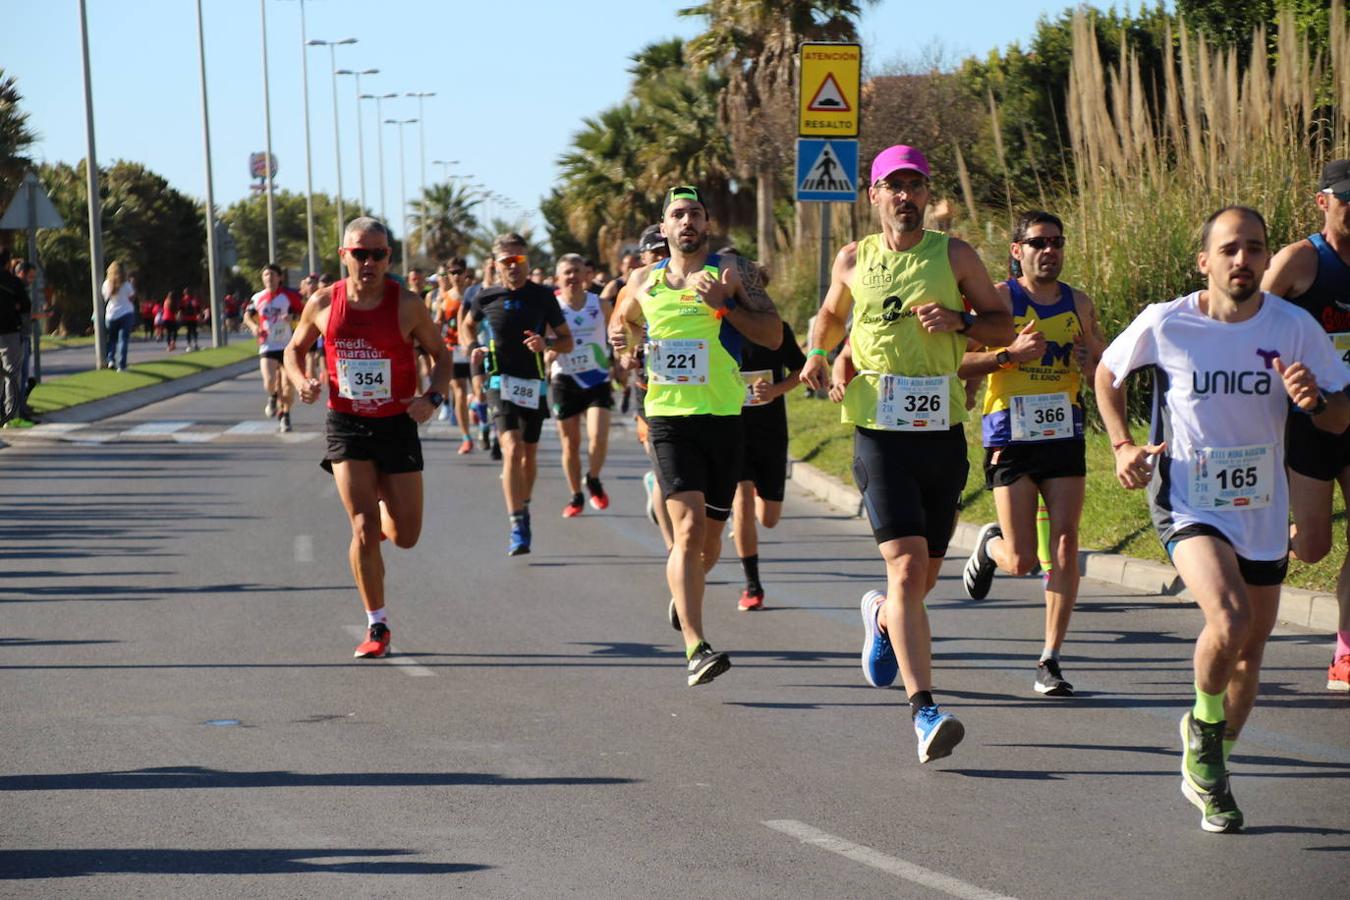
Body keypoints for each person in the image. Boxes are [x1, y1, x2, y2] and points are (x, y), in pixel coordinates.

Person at [1096, 205, 1349, 833]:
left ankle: (1210, 769)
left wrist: (1314, 401)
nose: (1244, 260)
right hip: (1188, 498)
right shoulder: (1168, 323)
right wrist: (1123, 444)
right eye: (1230, 249)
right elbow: (1107, 372)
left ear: (1267, 259)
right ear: (1205, 261)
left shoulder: (1293, 327)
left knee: (1251, 652)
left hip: (1262, 505)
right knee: (1229, 617)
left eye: (1255, 249)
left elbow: (1342, 416)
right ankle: (1204, 727)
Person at [800, 146, 1014, 762]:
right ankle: (925, 712)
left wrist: (960, 318)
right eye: (894, 187)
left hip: (940, 432)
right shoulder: (853, 258)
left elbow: (1002, 325)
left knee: (918, 584)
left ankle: (883, 620)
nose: (905, 197)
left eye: (915, 186)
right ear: (874, 197)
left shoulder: (954, 255)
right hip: (878, 431)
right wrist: (819, 353)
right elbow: (829, 317)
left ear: (927, 194)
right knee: (904, 568)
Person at [610, 186, 784, 687]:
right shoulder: (642, 279)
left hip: (724, 418)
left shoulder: (734, 274)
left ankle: (681, 589)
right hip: (668, 419)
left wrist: (726, 308)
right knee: (685, 533)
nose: (686, 222)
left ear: (707, 224)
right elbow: (622, 329)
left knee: (708, 548)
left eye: (695, 214)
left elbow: (773, 336)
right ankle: (696, 646)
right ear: (662, 228)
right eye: (677, 215)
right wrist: (625, 349)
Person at [285, 217, 451, 659]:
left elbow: (441, 356)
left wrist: (431, 398)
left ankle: (381, 509)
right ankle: (377, 625)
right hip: (347, 423)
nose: (369, 262)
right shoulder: (322, 302)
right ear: (344, 256)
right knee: (361, 526)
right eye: (360, 253)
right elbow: (294, 349)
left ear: (389, 259)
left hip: (396, 423)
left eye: (378, 254)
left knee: (406, 535)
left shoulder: (408, 305)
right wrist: (301, 380)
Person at [958, 210, 1107, 697]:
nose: (1050, 251)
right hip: (1010, 433)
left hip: (1063, 431)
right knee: (1021, 560)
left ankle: (1050, 659)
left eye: (1057, 242)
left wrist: (1090, 363)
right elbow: (960, 360)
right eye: (1039, 242)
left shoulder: (1078, 303)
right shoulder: (1002, 299)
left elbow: (1101, 366)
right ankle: (990, 546)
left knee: (1065, 544)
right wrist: (1008, 356)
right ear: (1017, 250)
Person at [1262, 159, 1350, 692]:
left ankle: (1345, 652)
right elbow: (1251, 323)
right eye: (1347, 198)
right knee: (1314, 546)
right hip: (1306, 422)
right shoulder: (1300, 260)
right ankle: (1268, 536)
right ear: (1323, 202)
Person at [463, 234, 574, 555]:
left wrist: (547, 344)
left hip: (534, 382)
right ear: (496, 265)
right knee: (511, 449)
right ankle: (517, 522)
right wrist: (474, 349)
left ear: (527, 261)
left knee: (528, 454)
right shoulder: (486, 296)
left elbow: (566, 340)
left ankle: (523, 504)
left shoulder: (542, 296)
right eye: (507, 262)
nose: (514, 267)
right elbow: (467, 324)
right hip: (500, 381)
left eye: (519, 261)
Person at [732, 319, 807, 611]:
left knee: (769, 518)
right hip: (733, 429)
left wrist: (775, 390)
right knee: (742, 502)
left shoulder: (776, 329)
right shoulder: (721, 326)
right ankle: (753, 585)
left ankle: (747, 501)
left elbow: (801, 370)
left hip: (771, 432)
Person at [549, 253, 614, 516]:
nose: (573, 276)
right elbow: (543, 342)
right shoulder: (551, 308)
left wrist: (621, 357)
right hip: (565, 378)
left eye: (577, 271)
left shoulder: (599, 304)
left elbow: (618, 333)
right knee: (570, 443)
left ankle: (594, 478)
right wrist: (548, 352)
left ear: (586, 275)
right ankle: (576, 496)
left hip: (597, 377)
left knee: (598, 437)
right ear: (558, 278)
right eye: (567, 272)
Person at [244, 264, 304, 433]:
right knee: (269, 380)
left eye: (272, 275)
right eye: (265, 275)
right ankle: (272, 396)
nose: (268, 278)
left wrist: (292, 317)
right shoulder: (258, 297)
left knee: (287, 386)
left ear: (280, 278)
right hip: (267, 344)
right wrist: (253, 327)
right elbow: (247, 316)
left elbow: (305, 315)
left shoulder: (290, 296)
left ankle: (285, 415)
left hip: (287, 346)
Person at [434, 257, 477, 453]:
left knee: (479, 392)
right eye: (452, 272)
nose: (456, 276)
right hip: (453, 349)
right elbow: (438, 323)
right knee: (459, 392)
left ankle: (481, 417)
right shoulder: (444, 297)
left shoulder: (476, 294)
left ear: (466, 272)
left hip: (475, 348)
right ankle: (466, 437)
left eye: (459, 272)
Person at [0, 248, 29, 426]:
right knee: (11, 373)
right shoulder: (13, 282)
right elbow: (25, 305)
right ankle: (12, 417)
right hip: (9, 332)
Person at [101, 261, 137, 371]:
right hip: (126, 313)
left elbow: (105, 298)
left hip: (111, 315)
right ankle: (122, 365)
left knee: (112, 339)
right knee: (123, 340)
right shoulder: (126, 284)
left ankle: (111, 359)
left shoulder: (107, 284)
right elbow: (131, 298)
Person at [178, 288, 202, 352]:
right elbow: (198, 308)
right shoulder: (194, 299)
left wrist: (180, 316)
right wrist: (199, 315)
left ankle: (189, 345)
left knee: (188, 331)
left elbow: (181, 309)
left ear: (184, 293)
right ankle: (195, 344)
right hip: (194, 317)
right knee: (194, 331)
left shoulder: (183, 300)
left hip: (186, 318)